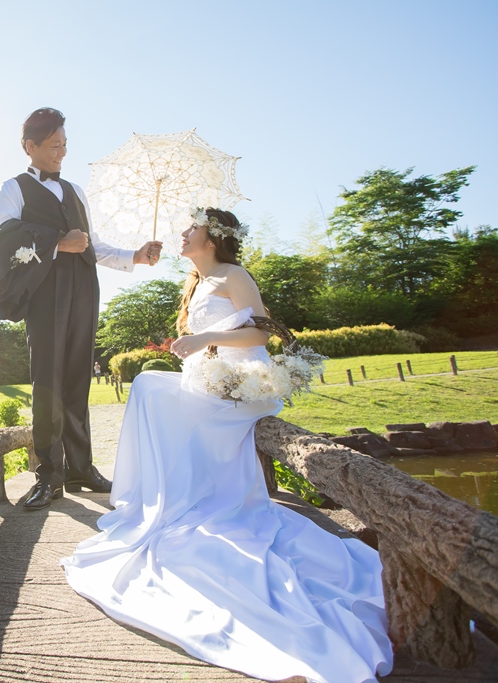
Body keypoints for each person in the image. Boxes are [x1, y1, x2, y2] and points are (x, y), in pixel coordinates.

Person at [61, 209, 393, 682]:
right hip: (212, 381)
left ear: (214, 235)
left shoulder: (234, 274)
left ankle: (175, 500)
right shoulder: (196, 281)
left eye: (190, 226)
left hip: (243, 385)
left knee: (151, 390)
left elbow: (262, 332)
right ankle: (159, 501)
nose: (182, 232)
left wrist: (206, 338)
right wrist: (193, 346)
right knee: (149, 388)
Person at [0, 107, 162, 511]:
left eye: (65, 145)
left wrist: (135, 255)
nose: (61, 154)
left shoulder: (75, 191)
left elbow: (92, 243)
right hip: (45, 292)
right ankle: (49, 475)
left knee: (77, 379)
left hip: (85, 287)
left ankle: (82, 468)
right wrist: (55, 243)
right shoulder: (12, 189)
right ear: (30, 146)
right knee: (47, 380)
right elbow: (1, 241)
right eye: (53, 146)